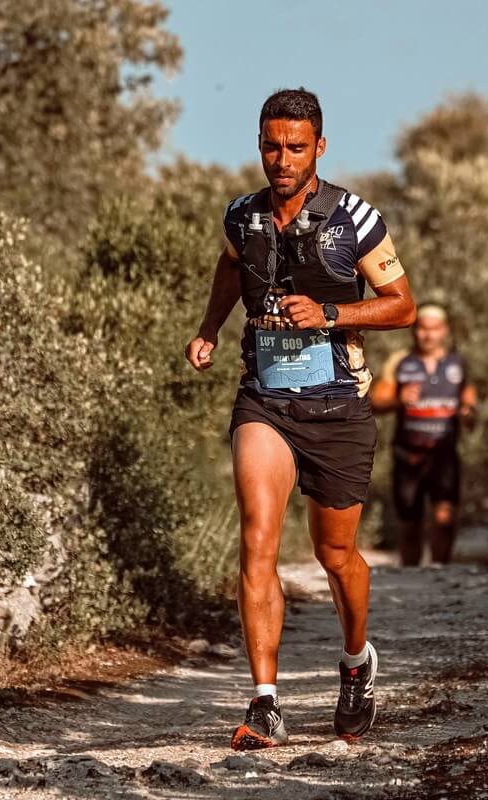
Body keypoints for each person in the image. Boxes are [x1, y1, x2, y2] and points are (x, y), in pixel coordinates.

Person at [185, 88, 416, 750]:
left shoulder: (355, 219)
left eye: (294, 147)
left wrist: (334, 314)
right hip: (265, 399)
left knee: (335, 553)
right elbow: (231, 268)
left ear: (318, 147)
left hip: (339, 407)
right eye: (269, 145)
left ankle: (355, 661)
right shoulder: (243, 217)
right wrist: (209, 328)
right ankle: (265, 702)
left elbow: (402, 303)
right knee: (258, 535)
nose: (280, 159)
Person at [372, 304, 477, 566]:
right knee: (410, 522)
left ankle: (441, 571)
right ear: (414, 330)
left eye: (434, 329)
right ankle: (412, 576)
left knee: (445, 516)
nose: (427, 335)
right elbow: (376, 402)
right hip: (408, 455)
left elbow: (470, 405)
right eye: (422, 329)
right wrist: (398, 399)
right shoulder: (400, 362)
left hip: (444, 454)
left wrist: (468, 413)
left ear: (445, 331)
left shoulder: (457, 363)